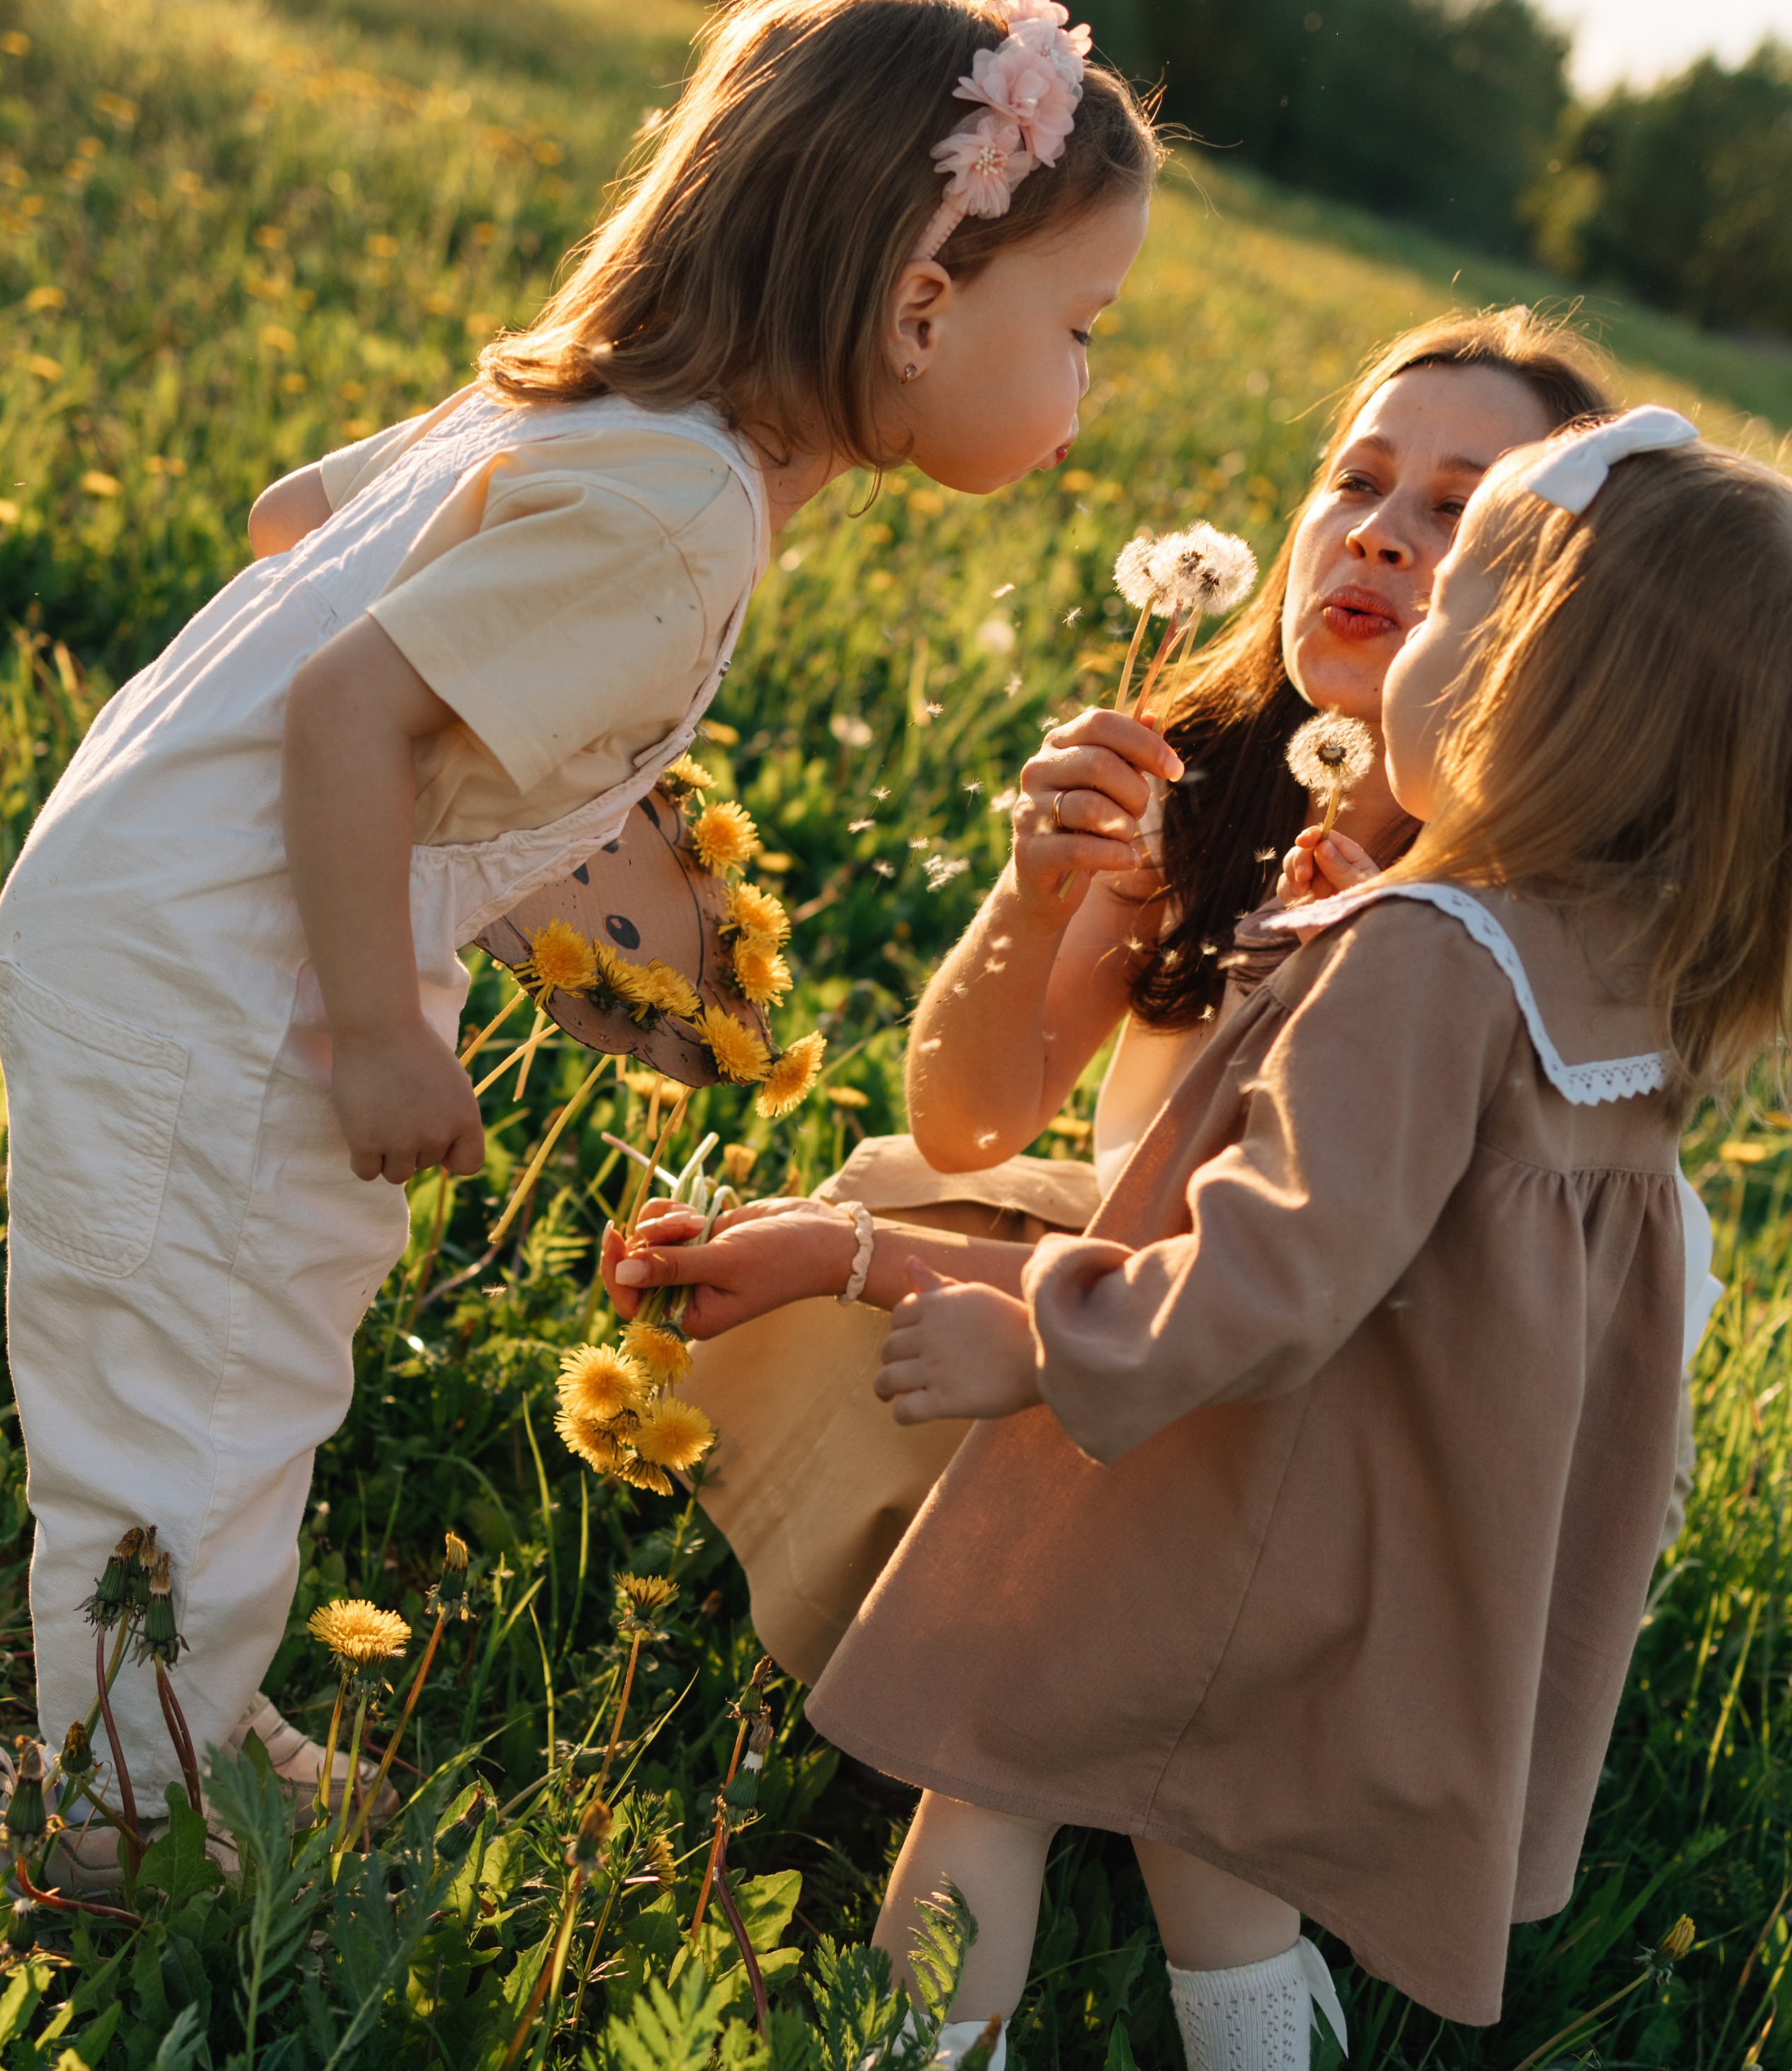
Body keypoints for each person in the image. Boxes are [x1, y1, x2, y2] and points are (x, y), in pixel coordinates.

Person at [0, 0, 1159, 1880]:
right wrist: (384, 1024)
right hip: (235, 974)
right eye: (1084, 325)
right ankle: (122, 1826)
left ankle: (179, 1703)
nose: (1086, 381)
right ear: (921, 302)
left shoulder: (597, 411)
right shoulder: (682, 510)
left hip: (149, 908)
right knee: (194, 1377)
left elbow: (301, 523)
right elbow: (353, 706)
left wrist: (540, 787)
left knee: (215, 1338)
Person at [798, 408, 1792, 2071]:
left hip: (1221, 1466)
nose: (1404, 639)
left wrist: (1029, 1335)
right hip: (1393, 1514)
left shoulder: (1428, 950)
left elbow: (1275, 1259)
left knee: (987, 1755)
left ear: (1523, 697)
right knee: (1212, 1812)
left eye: (1454, 615)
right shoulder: (1632, 972)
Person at [635, 318, 1720, 1670]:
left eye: (1460, 510)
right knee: (895, 1216)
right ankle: (995, 1656)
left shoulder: (1507, 918)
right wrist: (1029, 901)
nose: (1381, 534)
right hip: (1166, 1287)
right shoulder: (1198, 779)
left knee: (867, 1265)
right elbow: (973, 1120)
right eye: (1357, 478)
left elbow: (1277, 1315)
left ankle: (1074, 1700)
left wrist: (850, 1261)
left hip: (1360, 1404)